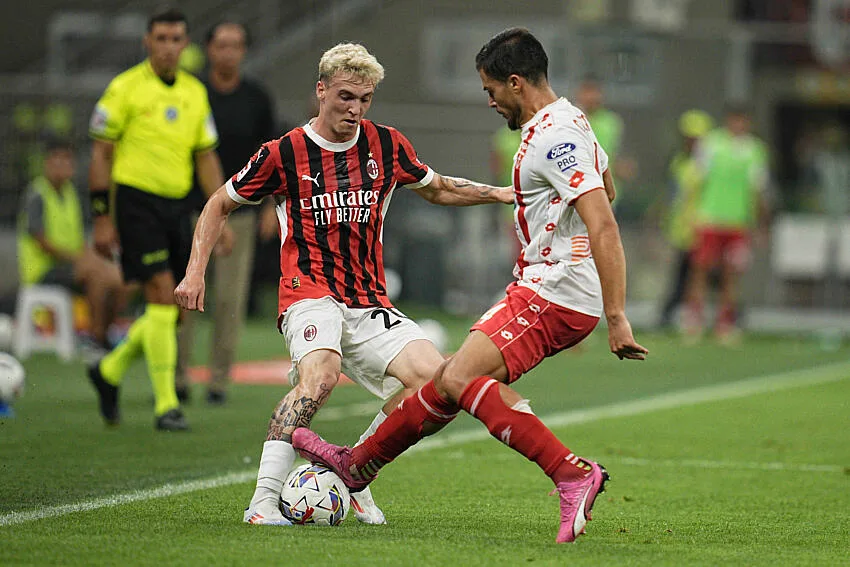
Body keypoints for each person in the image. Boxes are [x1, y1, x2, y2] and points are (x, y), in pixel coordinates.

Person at [290, 28, 648, 544]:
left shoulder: (554, 137)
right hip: (552, 285)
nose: (490, 101)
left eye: (491, 89)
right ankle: (357, 465)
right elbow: (606, 189)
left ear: (516, 82)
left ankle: (570, 473)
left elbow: (604, 223)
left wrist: (615, 315)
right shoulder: (571, 119)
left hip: (554, 290)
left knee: (457, 378)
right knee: (447, 382)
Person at [174, 42, 513, 526]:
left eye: (365, 99)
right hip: (308, 293)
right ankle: (262, 504)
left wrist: (502, 193)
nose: (355, 109)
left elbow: (438, 188)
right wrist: (194, 272)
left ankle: (354, 469)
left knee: (440, 383)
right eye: (346, 97)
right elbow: (218, 204)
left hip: (368, 300)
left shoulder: (386, 145)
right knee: (321, 377)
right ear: (321, 90)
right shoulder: (284, 152)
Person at [86, 8, 231, 431]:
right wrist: (101, 218)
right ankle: (167, 405)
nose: (169, 47)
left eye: (176, 39)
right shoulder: (124, 88)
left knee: (175, 309)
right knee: (163, 294)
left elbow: (205, 157)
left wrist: (221, 211)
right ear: (147, 42)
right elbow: (101, 154)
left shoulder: (194, 92)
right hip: (136, 203)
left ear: (185, 45)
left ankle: (108, 370)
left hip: (177, 206)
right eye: (161, 38)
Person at [175, 20, 278, 406]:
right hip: (192, 211)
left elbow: (272, 156)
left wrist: (271, 206)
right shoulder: (192, 93)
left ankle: (218, 380)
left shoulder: (257, 98)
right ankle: (177, 376)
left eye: (236, 45)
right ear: (208, 49)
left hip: (243, 213)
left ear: (244, 50)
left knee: (229, 301)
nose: (228, 53)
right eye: (221, 45)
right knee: (185, 294)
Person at [17, 139, 126, 352]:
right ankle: (95, 338)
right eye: (57, 160)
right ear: (46, 163)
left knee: (120, 278)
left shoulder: (71, 194)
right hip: (42, 271)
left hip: (71, 267)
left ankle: (106, 333)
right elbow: (41, 242)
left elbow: (79, 240)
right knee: (95, 275)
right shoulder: (37, 194)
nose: (62, 166)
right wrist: (78, 259)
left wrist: (91, 257)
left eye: (67, 160)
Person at [683, 106, 769, 343]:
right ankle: (694, 319)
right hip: (709, 218)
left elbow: (758, 189)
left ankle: (725, 322)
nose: (738, 125)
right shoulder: (712, 144)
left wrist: (761, 223)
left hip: (738, 222)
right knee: (700, 270)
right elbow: (696, 181)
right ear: (728, 121)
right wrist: (690, 214)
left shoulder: (755, 150)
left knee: (731, 274)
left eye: (743, 121)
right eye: (735, 120)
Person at [657, 110, 714, 329]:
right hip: (682, 226)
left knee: (701, 273)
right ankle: (676, 312)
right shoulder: (679, 162)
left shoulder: (708, 165)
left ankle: (722, 313)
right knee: (685, 272)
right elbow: (672, 196)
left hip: (704, 225)